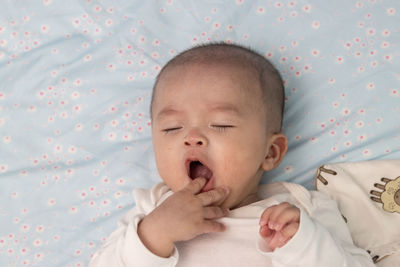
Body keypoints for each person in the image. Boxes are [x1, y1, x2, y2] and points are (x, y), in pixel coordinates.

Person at [89, 43, 375, 266]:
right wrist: (153, 236)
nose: (192, 138)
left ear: (271, 152)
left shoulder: (301, 210)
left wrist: (303, 245)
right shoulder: (151, 211)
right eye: (172, 128)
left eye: (221, 124)